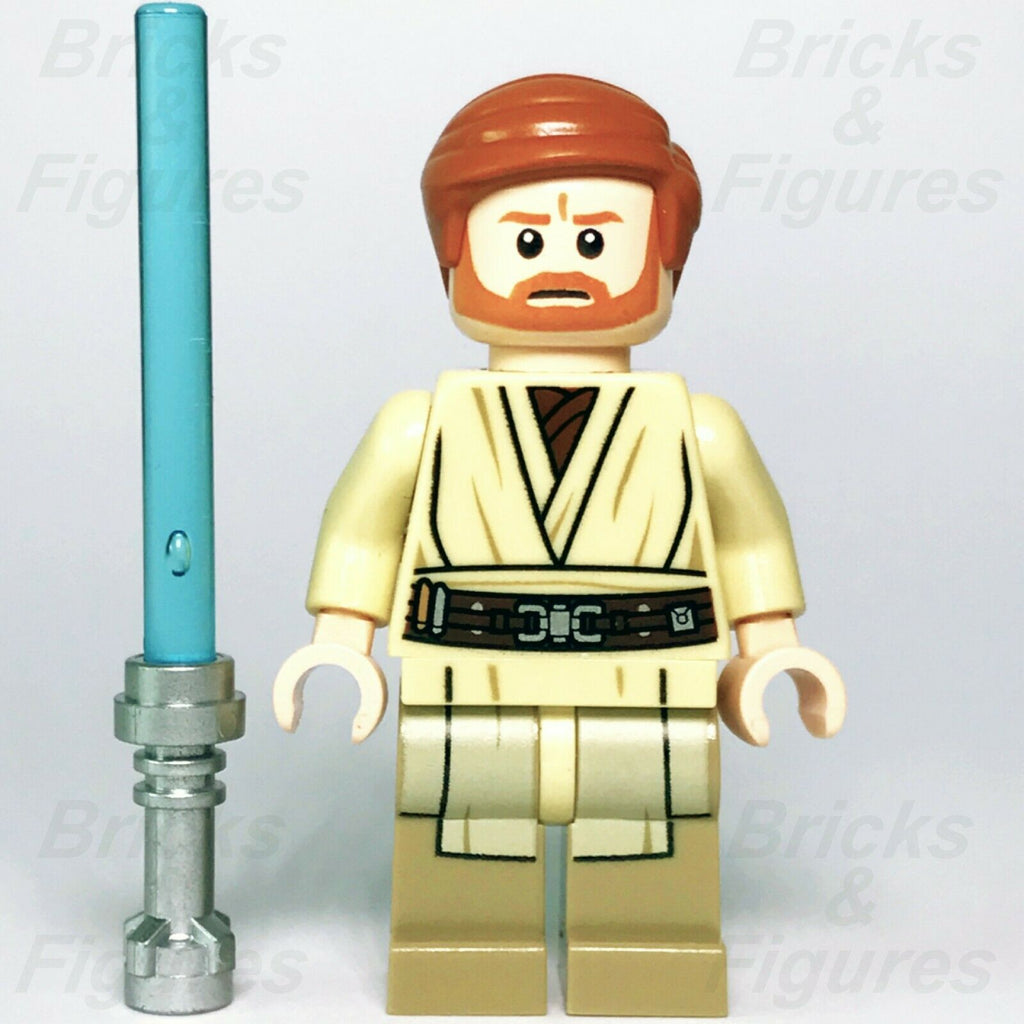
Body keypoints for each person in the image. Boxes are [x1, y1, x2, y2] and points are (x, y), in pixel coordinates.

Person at [274, 73, 846, 1017]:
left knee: (649, 825)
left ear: (664, 261)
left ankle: (648, 961)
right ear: (456, 258)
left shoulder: (699, 429)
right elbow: (365, 534)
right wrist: (341, 643)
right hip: (469, 673)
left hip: (649, 679)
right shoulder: (421, 424)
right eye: (526, 240)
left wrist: (771, 649)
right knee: (462, 822)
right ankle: (459, 959)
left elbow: (748, 544)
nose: (560, 266)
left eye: (596, 241)